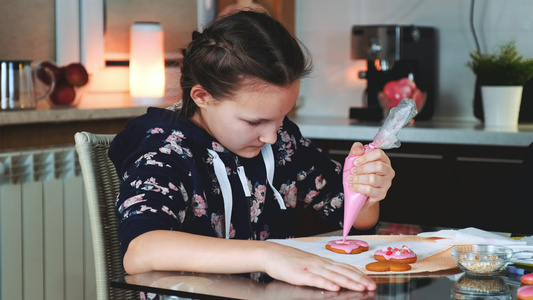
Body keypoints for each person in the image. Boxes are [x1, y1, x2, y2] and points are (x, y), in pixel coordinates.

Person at [109, 9, 395, 292]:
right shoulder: (166, 152)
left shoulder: (283, 143)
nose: (271, 136)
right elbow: (141, 250)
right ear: (203, 97)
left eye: (282, 116)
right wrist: (268, 254)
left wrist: (366, 191)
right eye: (255, 121)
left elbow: (356, 221)